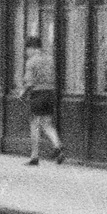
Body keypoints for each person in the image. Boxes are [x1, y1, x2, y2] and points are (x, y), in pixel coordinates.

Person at [21, 33, 65, 165]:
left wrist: (22, 93)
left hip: (37, 95)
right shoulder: (50, 59)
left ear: (32, 48)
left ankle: (34, 156)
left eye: (27, 49)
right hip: (50, 93)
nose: (26, 52)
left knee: (34, 125)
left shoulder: (31, 62)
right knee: (47, 124)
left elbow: (29, 83)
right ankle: (58, 145)